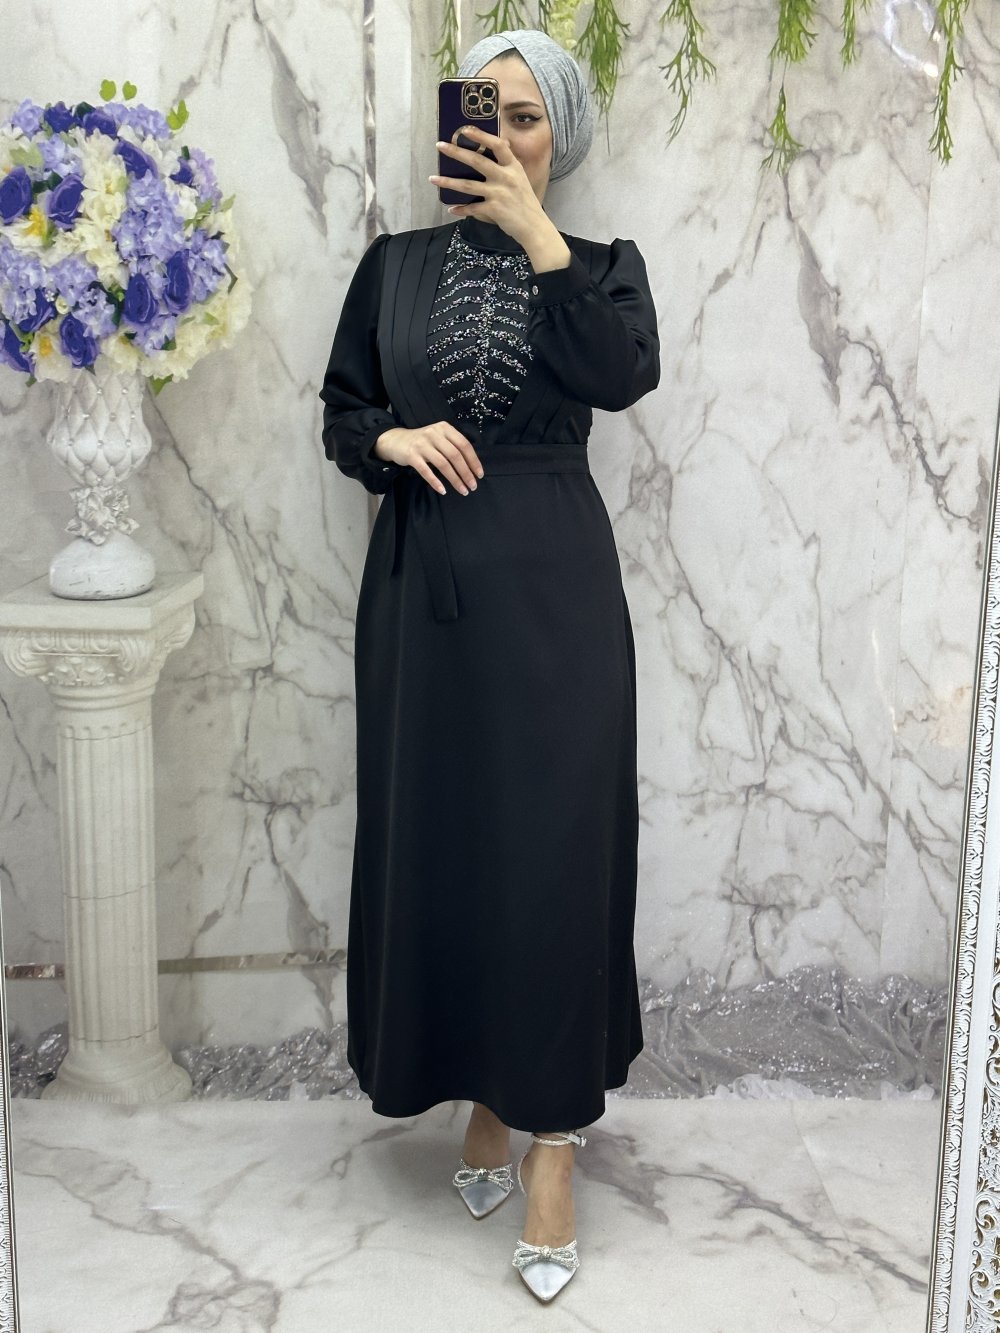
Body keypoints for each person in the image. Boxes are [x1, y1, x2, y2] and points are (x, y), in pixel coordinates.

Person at [319, 27, 659, 1304]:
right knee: (447, 849)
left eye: (527, 117)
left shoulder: (602, 269)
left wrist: (536, 238)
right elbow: (342, 410)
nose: (502, 136)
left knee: (555, 859)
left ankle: (551, 1143)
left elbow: (620, 376)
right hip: (423, 597)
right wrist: (392, 442)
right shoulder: (392, 266)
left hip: (553, 598)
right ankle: (481, 1096)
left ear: (558, 138)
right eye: (484, 112)